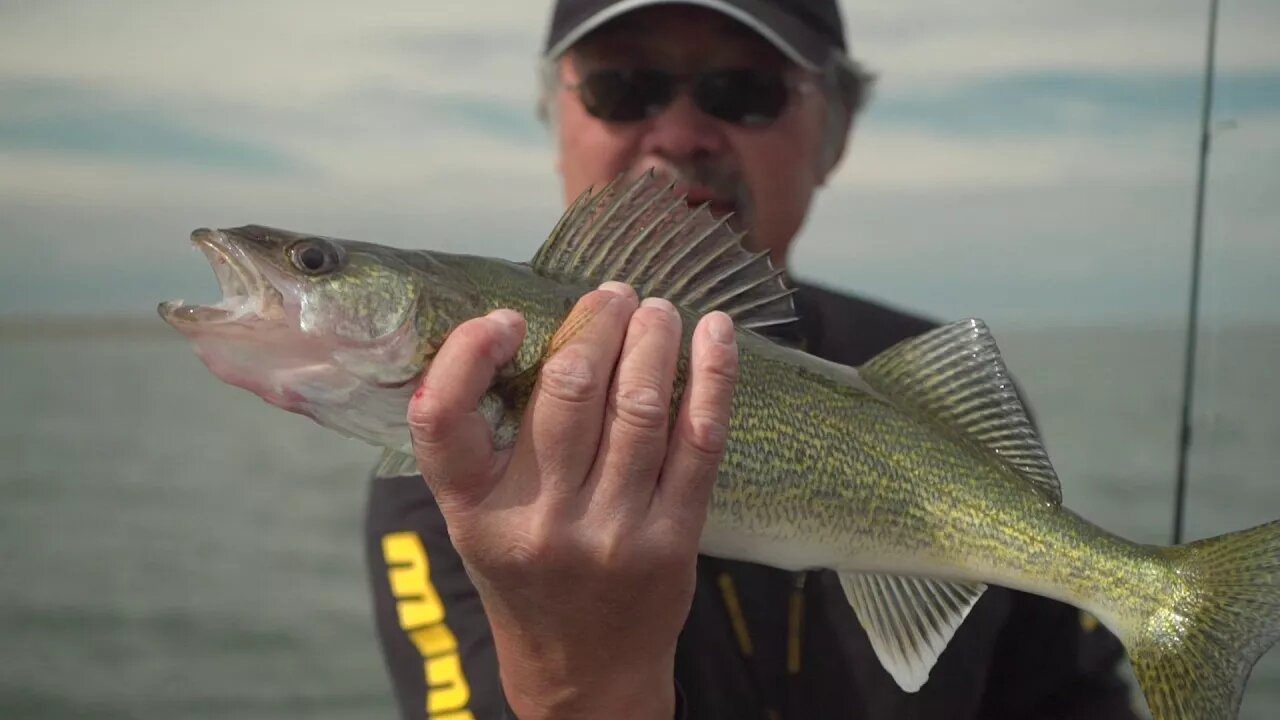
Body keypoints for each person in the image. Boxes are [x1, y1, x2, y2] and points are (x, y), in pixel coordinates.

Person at [364, 1, 1141, 718]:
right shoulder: (457, 459)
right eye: (622, 87)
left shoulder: (924, 386)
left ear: (834, 135)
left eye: (744, 90)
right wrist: (580, 677)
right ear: (553, 115)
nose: (679, 133)